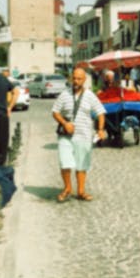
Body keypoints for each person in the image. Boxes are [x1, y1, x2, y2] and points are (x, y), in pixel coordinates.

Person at [52, 67, 107, 202]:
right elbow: (55, 112)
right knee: (65, 163)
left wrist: (100, 129)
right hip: (66, 136)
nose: (76, 81)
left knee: (82, 165)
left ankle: (81, 191)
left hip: (84, 135)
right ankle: (67, 189)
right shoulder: (64, 94)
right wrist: (65, 123)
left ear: (84, 80)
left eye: (79, 78)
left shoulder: (90, 95)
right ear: (71, 78)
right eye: (74, 78)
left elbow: (100, 112)